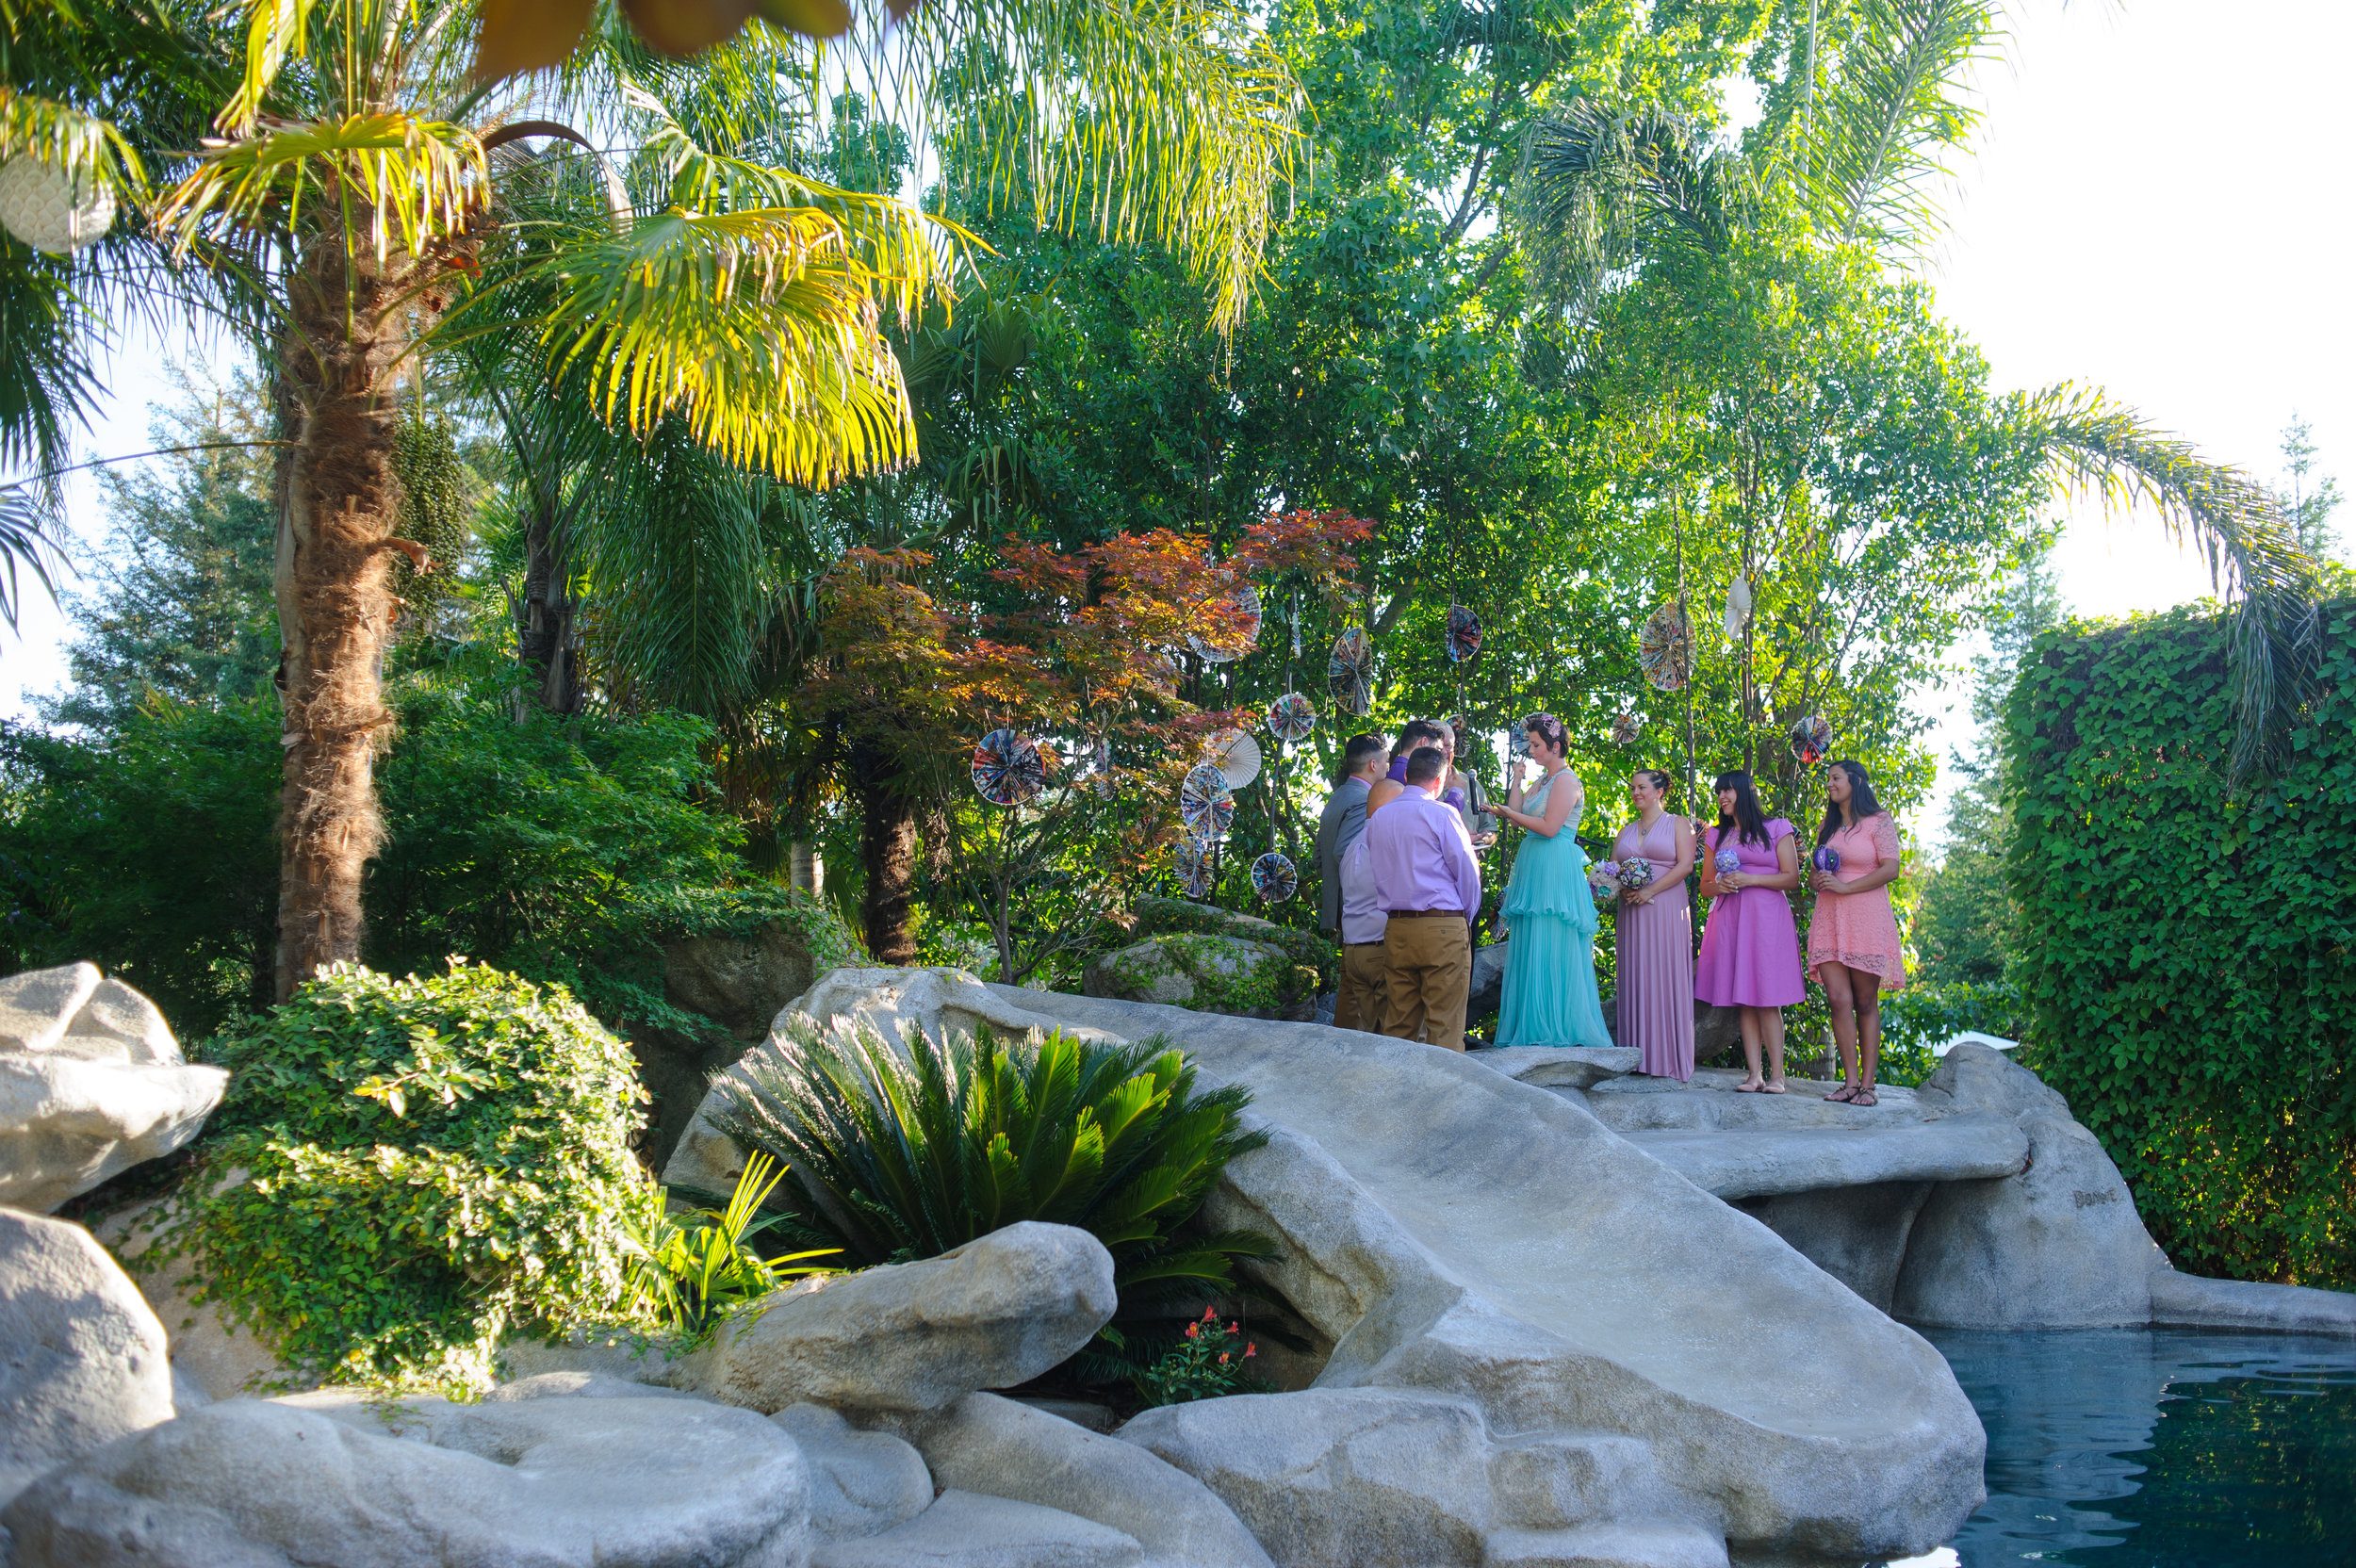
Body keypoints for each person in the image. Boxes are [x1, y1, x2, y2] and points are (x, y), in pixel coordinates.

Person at [1492, 713, 1612, 1049]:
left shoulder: (1567, 781)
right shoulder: (1544, 780)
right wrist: (1516, 781)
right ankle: (1529, 1026)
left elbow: (1548, 827)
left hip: (1555, 866)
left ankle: (1557, 1027)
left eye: (1536, 745)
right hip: (1535, 864)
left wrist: (1507, 812)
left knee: (1552, 940)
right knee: (1531, 940)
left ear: (1555, 747)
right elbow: (1519, 820)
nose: (1530, 750)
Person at [1693, 769, 1805, 1093]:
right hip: (1731, 919)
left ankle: (1778, 1077)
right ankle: (1754, 1074)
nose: (1721, 798)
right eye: (1718, 792)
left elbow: (1791, 878)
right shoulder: (1717, 834)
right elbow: (1705, 886)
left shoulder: (1776, 828)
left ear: (1743, 791)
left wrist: (1751, 879)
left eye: (1727, 791)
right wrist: (1721, 885)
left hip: (1768, 920)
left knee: (1767, 998)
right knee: (1744, 998)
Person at [1366, 745, 1482, 1051]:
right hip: (1443, 927)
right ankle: (1444, 1099)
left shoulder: (1378, 819)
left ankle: (1394, 1096)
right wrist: (1464, 920)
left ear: (1406, 776)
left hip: (1397, 928)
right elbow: (1468, 874)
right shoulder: (1442, 813)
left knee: (1399, 1028)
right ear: (1439, 781)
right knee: (1445, 1029)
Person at [1808, 760, 1907, 1106]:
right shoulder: (1828, 827)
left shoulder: (1879, 822)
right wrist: (1818, 880)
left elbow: (1891, 869)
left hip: (1866, 917)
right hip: (1830, 918)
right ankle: (1848, 1083)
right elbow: (1814, 874)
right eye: (1829, 779)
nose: (1830, 784)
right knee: (1838, 999)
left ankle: (1867, 1086)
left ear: (1856, 781)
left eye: (1835, 778)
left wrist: (1847, 888)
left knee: (1865, 1002)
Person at [1611, 768, 1696, 1079]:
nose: (1635, 792)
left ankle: (1668, 1058)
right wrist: (1622, 887)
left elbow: (1686, 865)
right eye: (1633, 787)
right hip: (1632, 910)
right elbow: (1613, 867)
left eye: (1642, 787)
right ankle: (1637, 1056)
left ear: (1660, 792)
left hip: (1666, 908)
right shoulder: (1625, 829)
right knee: (1637, 973)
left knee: (1665, 972)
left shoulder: (1679, 824)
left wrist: (1649, 890)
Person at [1316, 733, 1389, 937]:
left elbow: (1319, 856)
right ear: (1373, 765)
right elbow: (1345, 852)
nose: (1388, 768)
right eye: (1386, 762)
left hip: (1337, 905)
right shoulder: (1363, 800)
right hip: (1357, 908)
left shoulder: (1337, 796)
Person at [1333, 830, 1388, 1032]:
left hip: (1353, 945)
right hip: (1378, 944)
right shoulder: (1386, 840)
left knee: (1366, 1029)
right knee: (1395, 1028)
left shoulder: (1353, 843)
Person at [1366, 719, 1450, 819]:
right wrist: (1457, 792)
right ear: (1423, 742)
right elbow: (1435, 818)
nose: (1439, 755)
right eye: (1437, 749)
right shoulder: (1416, 777)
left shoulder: (1391, 774)